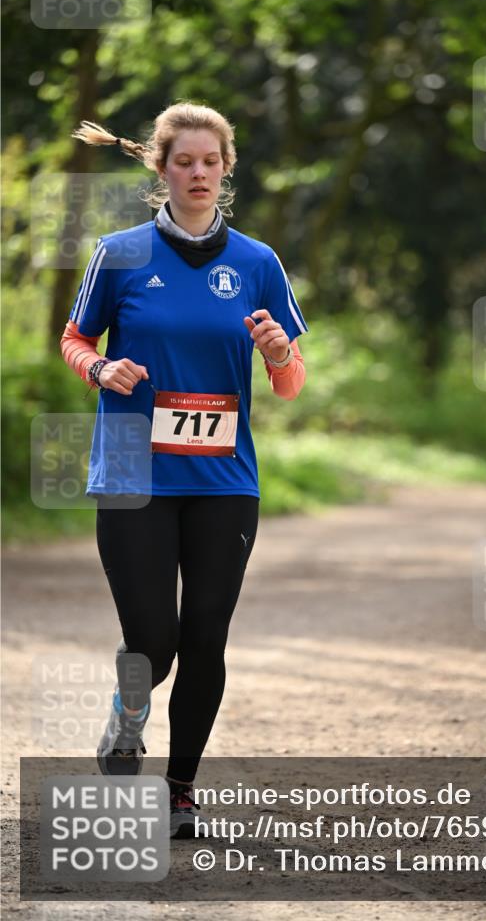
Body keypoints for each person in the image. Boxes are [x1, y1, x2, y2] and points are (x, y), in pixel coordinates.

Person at [60, 103, 309, 836]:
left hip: (224, 482)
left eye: (209, 161)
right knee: (152, 639)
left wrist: (277, 352)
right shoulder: (122, 252)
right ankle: (127, 713)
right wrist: (102, 368)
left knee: (206, 638)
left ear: (226, 167)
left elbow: (291, 383)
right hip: (134, 475)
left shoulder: (258, 264)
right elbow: (75, 339)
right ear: (160, 168)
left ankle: (177, 789)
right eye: (183, 162)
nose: (197, 173)